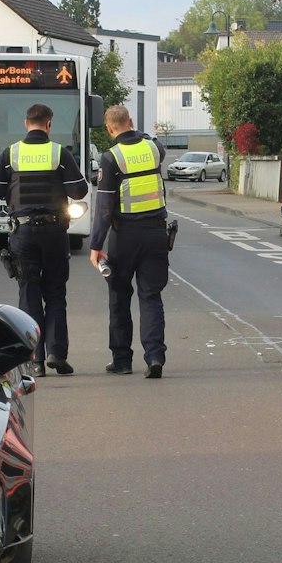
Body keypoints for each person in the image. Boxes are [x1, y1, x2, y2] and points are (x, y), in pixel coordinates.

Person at [0, 103, 88, 375]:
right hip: (54, 232)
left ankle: (36, 360)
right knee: (55, 293)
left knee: (29, 295)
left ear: (25, 123)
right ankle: (56, 353)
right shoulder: (59, 152)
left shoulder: (11, 153)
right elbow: (78, 191)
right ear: (49, 124)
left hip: (24, 232)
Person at [90, 106, 170, 378]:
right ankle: (155, 357)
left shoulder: (110, 157)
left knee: (119, 297)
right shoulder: (153, 149)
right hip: (157, 234)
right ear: (131, 122)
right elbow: (155, 141)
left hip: (124, 236)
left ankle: (122, 360)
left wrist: (95, 245)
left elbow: (104, 206)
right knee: (151, 296)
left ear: (110, 129)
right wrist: (141, 133)